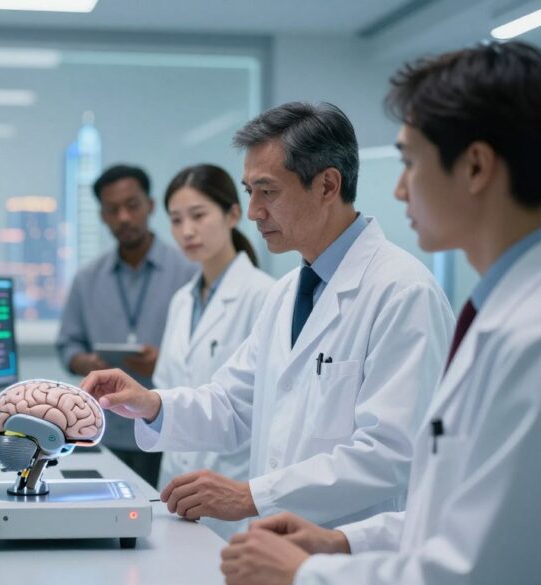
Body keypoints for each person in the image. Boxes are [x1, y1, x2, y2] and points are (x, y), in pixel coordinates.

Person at [218, 41, 541, 585]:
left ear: (476, 166)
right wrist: (342, 540)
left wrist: (307, 574)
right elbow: (453, 512)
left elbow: (486, 569)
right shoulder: (507, 314)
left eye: (410, 161)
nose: (397, 187)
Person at [82, 103, 454, 531]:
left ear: (327, 185)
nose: (255, 211)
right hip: (279, 551)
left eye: (268, 191)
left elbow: (391, 454)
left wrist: (251, 495)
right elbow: (232, 404)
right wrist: (150, 404)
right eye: (249, 191)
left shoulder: (402, 292)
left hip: (350, 559)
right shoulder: (287, 295)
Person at [154, 163, 275, 540]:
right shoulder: (181, 301)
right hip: (174, 491)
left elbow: (257, 407)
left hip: (232, 493)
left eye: (198, 215)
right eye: (176, 220)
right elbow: (166, 390)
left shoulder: (264, 295)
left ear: (233, 214)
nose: (187, 231)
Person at [57, 164, 197, 485]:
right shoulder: (87, 279)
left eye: (132, 206)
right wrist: (88, 362)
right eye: (112, 209)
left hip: (164, 431)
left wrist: (163, 360)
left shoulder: (188, 272)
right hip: (101, 432)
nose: (124, 217)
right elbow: (68, 345)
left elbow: (203, 353)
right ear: (102, 216)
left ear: (149, 205)